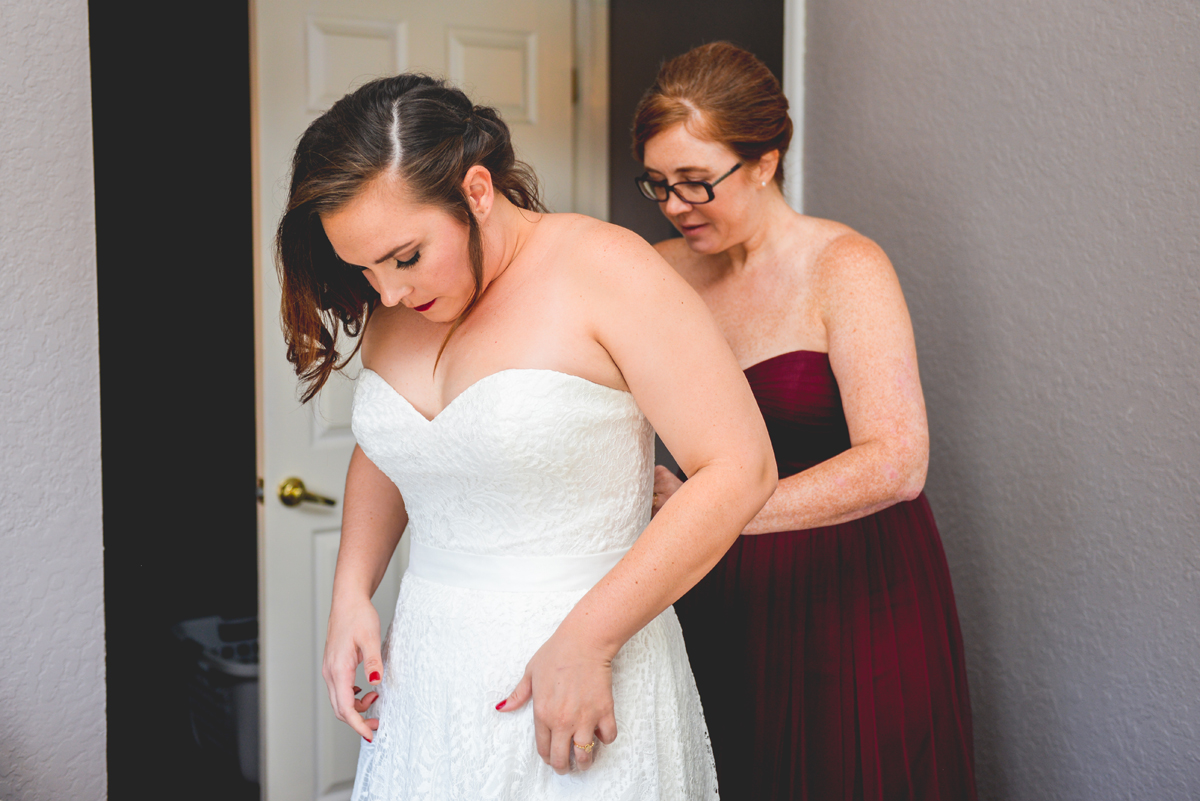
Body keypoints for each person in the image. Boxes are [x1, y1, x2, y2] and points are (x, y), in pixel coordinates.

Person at [275, 73, 776, 800]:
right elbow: (398, 447)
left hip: (580, 671)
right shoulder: (399, 303)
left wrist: (590, 638)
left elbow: (740, 468)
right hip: (433, 675)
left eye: (406, 256)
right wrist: (352, 589)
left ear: (476, 190)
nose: (385, 292)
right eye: (364, 268)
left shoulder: (606, 269)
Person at [633, 42, 978, 800]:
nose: (676, 205)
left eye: (697, 182)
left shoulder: (846, 267)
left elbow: (898, 460)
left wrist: (716, 506)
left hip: (851, 592)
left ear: (765, 159)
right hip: (713, 593)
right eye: (659, 184)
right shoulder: (656, 273)